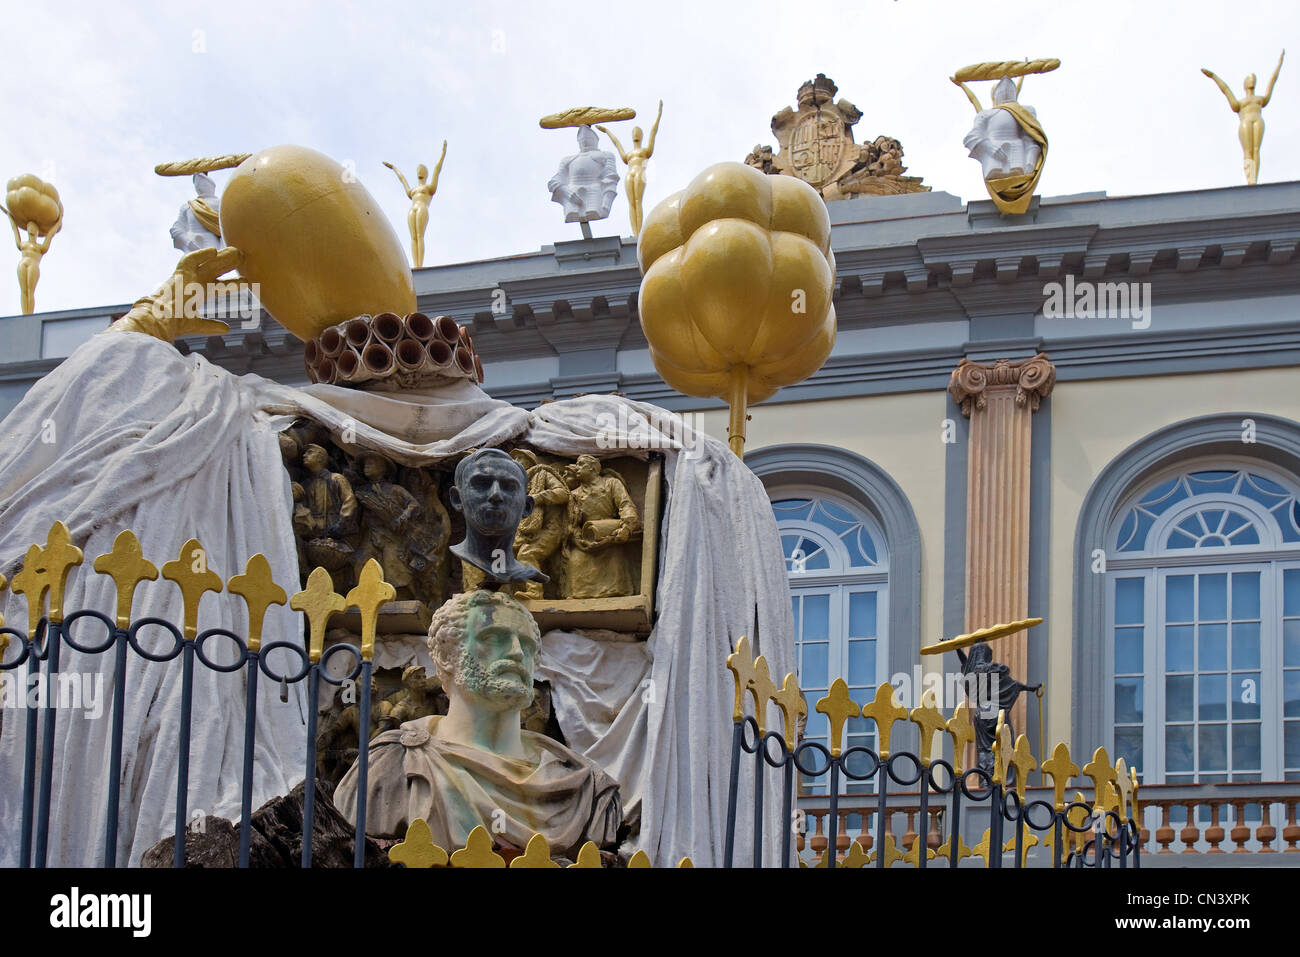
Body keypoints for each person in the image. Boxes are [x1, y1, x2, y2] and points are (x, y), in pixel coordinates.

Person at [334, 589, 622, 857]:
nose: (517, 653)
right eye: (494, 637)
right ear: (447, 655)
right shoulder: (389, 766)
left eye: (527, 644)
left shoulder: (588, 790)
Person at [956, 641, 1042, 778]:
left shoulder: (971, 673)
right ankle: (1002, 778)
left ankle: (986, 780)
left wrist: (957, 648)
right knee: (1003, 745)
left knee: (984, 748)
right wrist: (1030, 688)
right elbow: (1012, 684)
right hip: (995, 712)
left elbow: (966, 664)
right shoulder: (992, 669)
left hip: (980, 714)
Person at [1202, 50, 1285, 185]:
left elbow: (1272, 81)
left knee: (1256, 149)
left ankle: (1253, 180)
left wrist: (1279, 64)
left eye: (1253, 78)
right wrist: (1213, 76)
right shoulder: (1240, 104)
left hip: (1257, 120)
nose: (1252, 80)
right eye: (1249, 78)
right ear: (1245, 83)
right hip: (1246, 121)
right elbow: (1226, 90)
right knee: (1248, 150)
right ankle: (1250, 179)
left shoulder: (1260, 99)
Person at [596, 101, 662, 235]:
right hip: (629, 174)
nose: (635, 135)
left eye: (638, 133)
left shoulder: (645, 151)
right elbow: (616, 143)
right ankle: (635, 232)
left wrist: (659, 114)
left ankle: (639, 232)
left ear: (641, 136)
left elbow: (653, 132)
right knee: (631, 203)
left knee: (638, 201)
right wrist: (607, 131)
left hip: (639, 173)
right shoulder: (628, 155)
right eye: (634, 133)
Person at [382, 142, 447, 268]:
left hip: (422, 208)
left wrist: (443, 153)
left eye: (422, 170)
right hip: (413, 209)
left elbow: (437, 169)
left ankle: (419, 265)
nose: (419, 172)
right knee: (413, 238)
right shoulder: (413, 190)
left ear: (426, 173)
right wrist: (394, 168)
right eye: (418, 170)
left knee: (419, 235)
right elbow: (402, 180)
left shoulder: (429, 188)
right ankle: (416, 265)